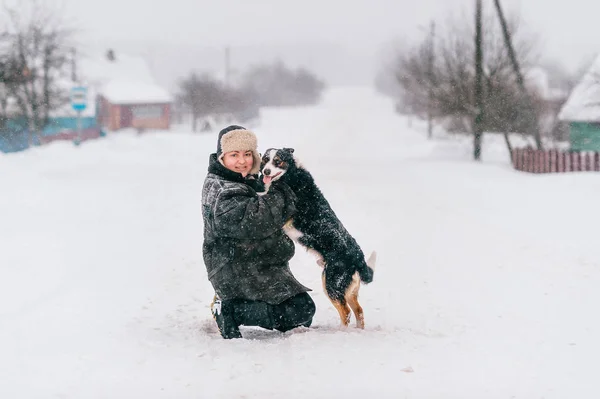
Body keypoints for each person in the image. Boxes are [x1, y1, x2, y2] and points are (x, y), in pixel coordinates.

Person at [202, 125, 316, 339]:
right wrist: (282, 188)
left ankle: (237, 303)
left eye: (247, 154)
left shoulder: (243, 179)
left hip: (256, 262)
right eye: (234, 155)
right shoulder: (222, 189)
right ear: (222, 158)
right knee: (297, 312)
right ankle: (229, 310)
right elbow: (258, 221)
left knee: (303, 311)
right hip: (234, 267)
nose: (242, 160)